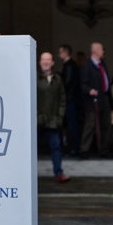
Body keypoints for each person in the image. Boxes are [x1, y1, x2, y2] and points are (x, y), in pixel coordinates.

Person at [37, 52, 69, 182]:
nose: (45, 62)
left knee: (56, 147)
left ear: (52, 63)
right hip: (37, 120)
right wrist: (36, 116)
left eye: (48, 60)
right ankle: (28, 175)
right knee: (32, 150)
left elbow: (62, 99)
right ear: (40, 62)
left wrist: (60, 116)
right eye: (43, 60)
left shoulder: (57, 79)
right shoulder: (33, 78)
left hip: (53, 121)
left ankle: (58, 173)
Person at [79, 41, 112, 157]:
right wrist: (89, 90)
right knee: (91, 125)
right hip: (92, 101)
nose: (103, 51)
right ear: (96, 51)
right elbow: (82, 84)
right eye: (102, 49)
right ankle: (84, 149)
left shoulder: (102, 65)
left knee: (106, 124)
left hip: (104, 99)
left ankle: (104, 149)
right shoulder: (87, 66)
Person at [58, 44, 82, 155]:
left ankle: (74, 147)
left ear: (66, 52)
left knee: (72, 124)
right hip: (71, 99)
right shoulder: (70, 65)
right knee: (72, 124)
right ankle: (74, 147)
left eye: (60, 52)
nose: (59, 55)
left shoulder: (69, 66)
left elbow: (67, 84)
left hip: (70, 99)